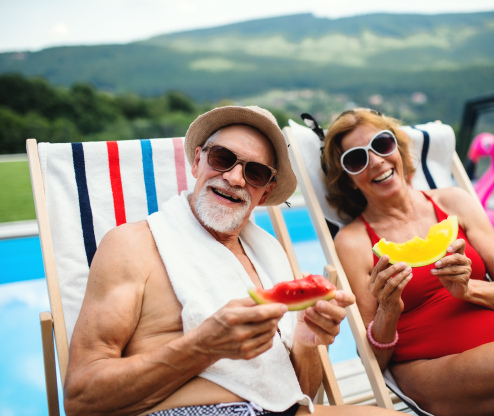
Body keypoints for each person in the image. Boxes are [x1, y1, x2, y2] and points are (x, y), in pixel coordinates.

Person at [63, 105, 410, 416]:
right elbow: (81, 399)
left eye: (255, 172)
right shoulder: (133, 245)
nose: (234, 178)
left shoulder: (271, 257)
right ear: (198, 160)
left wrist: (306, 340)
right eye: (222, 158)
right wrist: (202, 346)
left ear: (266, 191)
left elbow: (303, 395)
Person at [321, 108, 494, 416]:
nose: (375, 160)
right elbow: (375, 357)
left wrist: (468, 290)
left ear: (398, 150)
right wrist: (389, 310)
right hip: (434, 371)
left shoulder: (454, 202)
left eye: (381, 144)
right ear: (348, 180)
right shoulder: (353, 241)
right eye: (356, 159)